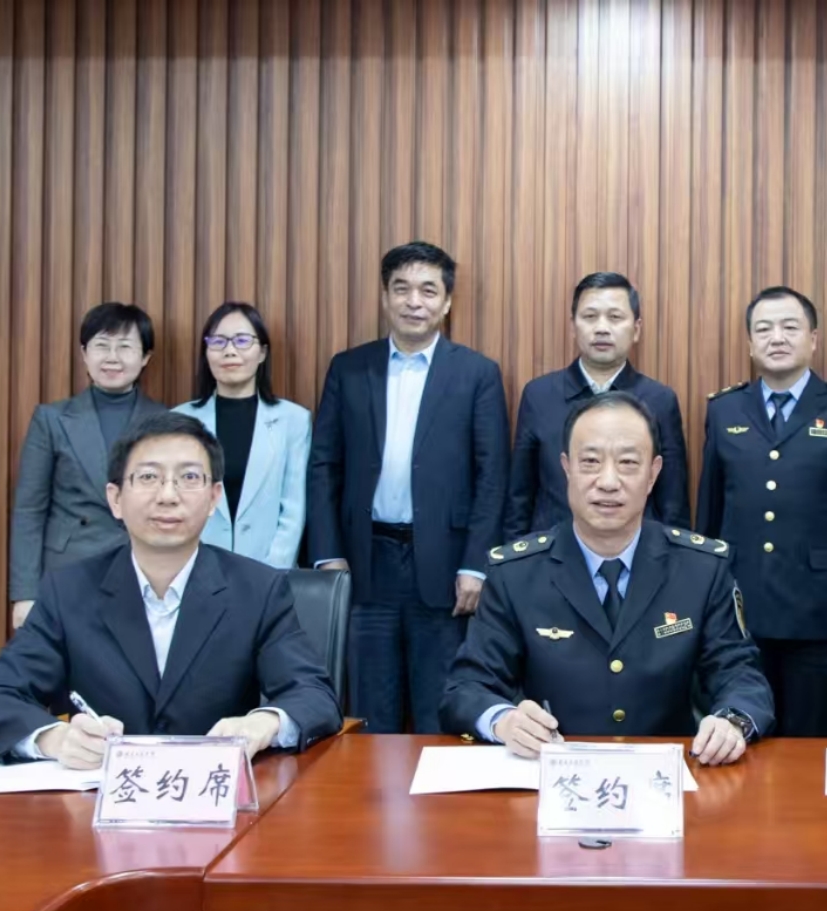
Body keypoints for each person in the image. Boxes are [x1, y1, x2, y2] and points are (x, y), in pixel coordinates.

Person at [0, 413, 342, 769]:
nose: (168, 495)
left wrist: (264, 723)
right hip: (98, 802)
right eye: (148, 477)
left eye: (189, 477)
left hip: (217, 796)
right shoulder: (69, 591)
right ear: (115, 499)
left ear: (213, 498)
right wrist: (55, 739)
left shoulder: (258, 589)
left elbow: (314, 695)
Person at [440, 392, 774, 764]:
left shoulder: (701, 569)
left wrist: (732, 721)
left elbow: (740, 674)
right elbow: (466, 688)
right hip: (553, 775)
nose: (608, 481)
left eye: (628, 463)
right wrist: (503, 720)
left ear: (653, 474)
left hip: (669, 777)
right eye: (591, 462)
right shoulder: (514, 573)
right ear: (566, 468)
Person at [307, 241, 510, 732]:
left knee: (439, 709)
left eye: (427, 290)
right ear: (385, 297)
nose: (413, 301)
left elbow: (492, 477)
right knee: (368, 709)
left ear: (447, 302)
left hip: (445, 566)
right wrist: (328, 555)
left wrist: (475, 565)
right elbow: (324, 466)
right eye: (401, 289)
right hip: (364, 563)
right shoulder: (349, 368)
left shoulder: (477, 373)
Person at [695, 286, 827, 738]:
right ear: (750, 343)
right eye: (764, 329)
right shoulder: (724, 410)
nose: (776, 337)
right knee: (739, 734)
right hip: (739, 604)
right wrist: (699, 595)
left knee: (810, 736)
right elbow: (709, 512)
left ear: (813, 339)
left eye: (789, 327)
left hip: (818, 606)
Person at [8, 303, 166, 629]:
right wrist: (25, 594)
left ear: (145, 357)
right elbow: (29, 510)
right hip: (70, 569)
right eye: (102, 346)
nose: (112, 357)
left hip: (145, 570)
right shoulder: (52, 419)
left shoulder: (166, 421)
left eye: (125, 347)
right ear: (84, 353)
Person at [505, 271, 690, 536]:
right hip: (552, 552)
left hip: (637, 553)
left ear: (636, 329)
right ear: (573, 327)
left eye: (615, 317)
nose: (602, 328)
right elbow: (519, 497)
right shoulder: (539, 395)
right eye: (590, 317)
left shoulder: (659, 400)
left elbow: (673, 504)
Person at [174, 301, 310, 568]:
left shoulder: (293, 420)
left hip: (269, 571)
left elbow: (293, 509)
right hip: (196, 568)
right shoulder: (179, 420)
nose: (230, 351)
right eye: (218, 342)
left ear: (262, 353)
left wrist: (271, 572)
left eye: (242, 341)